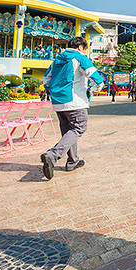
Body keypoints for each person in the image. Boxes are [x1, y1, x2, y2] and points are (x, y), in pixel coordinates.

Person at [40, 36, 104, 180]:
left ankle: (73, 161)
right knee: (78, 128)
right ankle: (52, 155)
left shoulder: (56, 60)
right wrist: (98, 86)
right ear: (80, 47)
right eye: (84, 49)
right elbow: (93, 74)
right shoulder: (79, 57)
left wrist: (56, 91)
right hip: (75, 101)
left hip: (58, 102)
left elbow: (46, 81)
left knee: (68, 132)